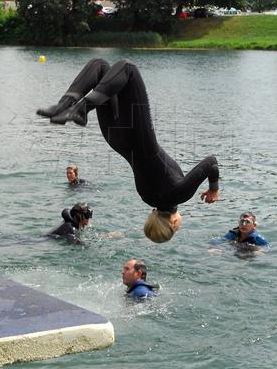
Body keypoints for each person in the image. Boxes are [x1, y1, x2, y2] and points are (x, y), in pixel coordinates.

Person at [37, 59, 220, 243]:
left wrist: (213, 190)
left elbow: (211, 162)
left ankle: (73, 107)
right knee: (101, 68)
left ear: (173, 222)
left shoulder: (180, 195)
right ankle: (65, 108)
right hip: (116, 140)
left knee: (128, 68)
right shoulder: (147, 199)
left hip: (138, 136)